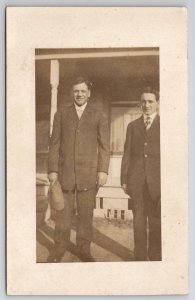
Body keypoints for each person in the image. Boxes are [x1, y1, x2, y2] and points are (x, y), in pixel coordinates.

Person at [47, 77, 110, 262]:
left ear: (88, 93)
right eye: (76, 91)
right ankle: (59, 248)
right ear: (71, 93)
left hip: (88, 175)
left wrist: (103, 170)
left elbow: (105, 146)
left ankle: (83, 249)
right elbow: (54, 145)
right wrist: (52, 170)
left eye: (83, 91)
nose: (79, 94)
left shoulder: (98, 115)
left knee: (85, 215)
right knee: (63, 215)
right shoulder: (61, 114)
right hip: (65, 174)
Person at [121, 87, 161, 261]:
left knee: (155, 223)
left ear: (157, 103)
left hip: (157, 184)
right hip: (137, 183)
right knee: (138, 223)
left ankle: (155, 257)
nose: (147, 105)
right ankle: (139, 257)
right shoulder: (133, 126)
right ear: (140, 103)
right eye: (143, 101)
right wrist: (124, 179)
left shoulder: (164, 126)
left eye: (150, 101)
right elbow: (127, 153)